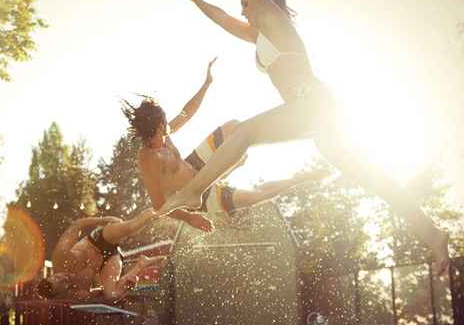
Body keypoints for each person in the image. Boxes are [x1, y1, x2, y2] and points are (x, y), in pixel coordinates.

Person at [158, 0, 449, 275]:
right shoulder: (258, 34)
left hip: (312, 103)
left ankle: (194, 192)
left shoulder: (273, 17)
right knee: (371, 177)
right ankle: (432, 233)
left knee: (243, 133)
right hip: (318, 113)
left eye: (246, 3)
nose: (243, 10)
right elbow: (221, 17)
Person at [124, 58, 328, 232]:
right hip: (199, 196)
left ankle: (226, 166)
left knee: (234, 127)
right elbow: (159, 205)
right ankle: (299, 179)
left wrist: (206, 84)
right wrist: (190, 218)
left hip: (198, 165)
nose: (169, 126)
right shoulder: (147, 158)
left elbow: (186, 113)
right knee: (256, 196)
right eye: (165, 124)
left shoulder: (164, 133)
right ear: (157, 127)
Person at [36, 209, 165, 303]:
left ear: (52, 275)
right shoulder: (78, 293)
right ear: (62, 293)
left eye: (58, 277)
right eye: (63, 283)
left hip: (99, 240)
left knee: (132, 228)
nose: (64, 277)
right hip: (108, 260)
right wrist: (125, 287)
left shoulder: (60, 257)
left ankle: (160, 208)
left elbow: (77, 225)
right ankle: (141, 264)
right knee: (111, 296)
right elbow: (102, 293)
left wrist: (104, 219)